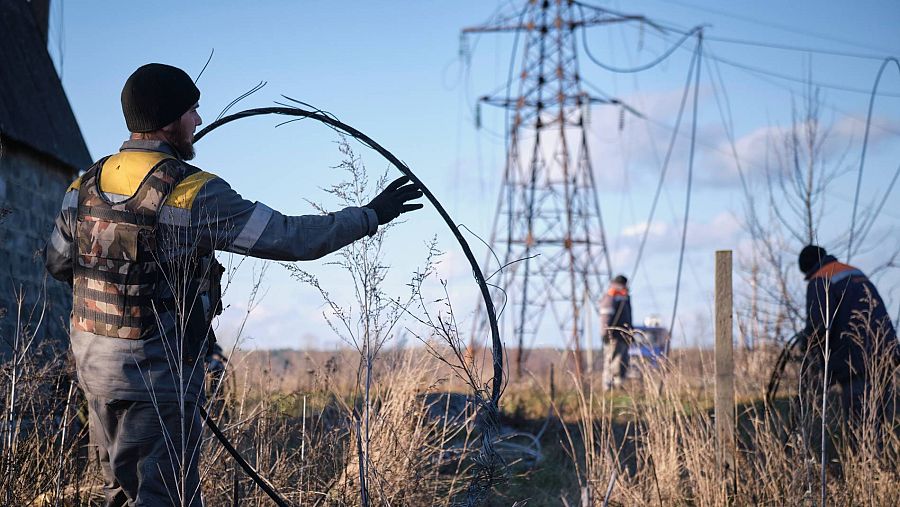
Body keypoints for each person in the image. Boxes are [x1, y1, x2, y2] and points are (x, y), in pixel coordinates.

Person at [44, 63, 423, 506]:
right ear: (170, 120)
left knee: (114, 494)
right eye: (193, 111)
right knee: (166, 498)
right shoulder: (192, 192)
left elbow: (57, 263)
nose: (198, 121)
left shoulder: (84, 183)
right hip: (158, 380)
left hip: (93, 370)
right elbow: (290, 237)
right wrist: (370, 215)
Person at [797, 245, 898, 424]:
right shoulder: (855, 273)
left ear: (807, 269)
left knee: (860, 427)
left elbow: (819, 325)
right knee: (882, 426)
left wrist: (804, 343)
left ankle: (863, 452)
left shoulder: (819, 280)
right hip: (886, 357)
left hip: (855, 363)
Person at [600, 274, 632, 390]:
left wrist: (630, 333)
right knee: (611, 361)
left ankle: (619, 386)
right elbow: (605, 316)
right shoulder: (611, 295)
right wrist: (606, 333)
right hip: (613, 336)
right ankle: (608, 387)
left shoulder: (624, 296)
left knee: (621, 362)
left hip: (624, 336)